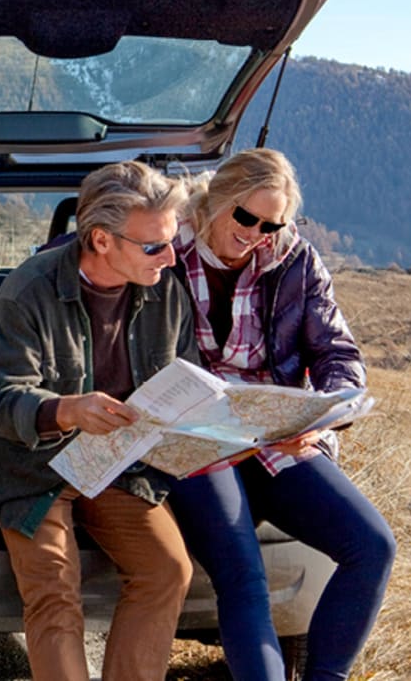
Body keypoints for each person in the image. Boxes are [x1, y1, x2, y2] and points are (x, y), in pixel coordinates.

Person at [164, 148, 395, 681]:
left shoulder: (295, 261)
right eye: (246, 217)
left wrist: (321, 418)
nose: (257, 234)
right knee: (243, 574)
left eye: (273, 224)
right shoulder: (167, 249)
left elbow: (338, 354)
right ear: (215, 200)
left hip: (276, 434)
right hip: (197, 436)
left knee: (373, 545)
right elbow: (90, 256)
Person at [0, 160, 196, 681]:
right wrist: (68, 409)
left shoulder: (166, 289)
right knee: (54, 590)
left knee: (167, 571)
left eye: (172, 242)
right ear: (100, 240)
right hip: (34, 466)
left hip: (120, 462)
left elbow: (186, 375)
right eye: (153, 246)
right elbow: (2, 401)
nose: (169, 258)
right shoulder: (27, 292)